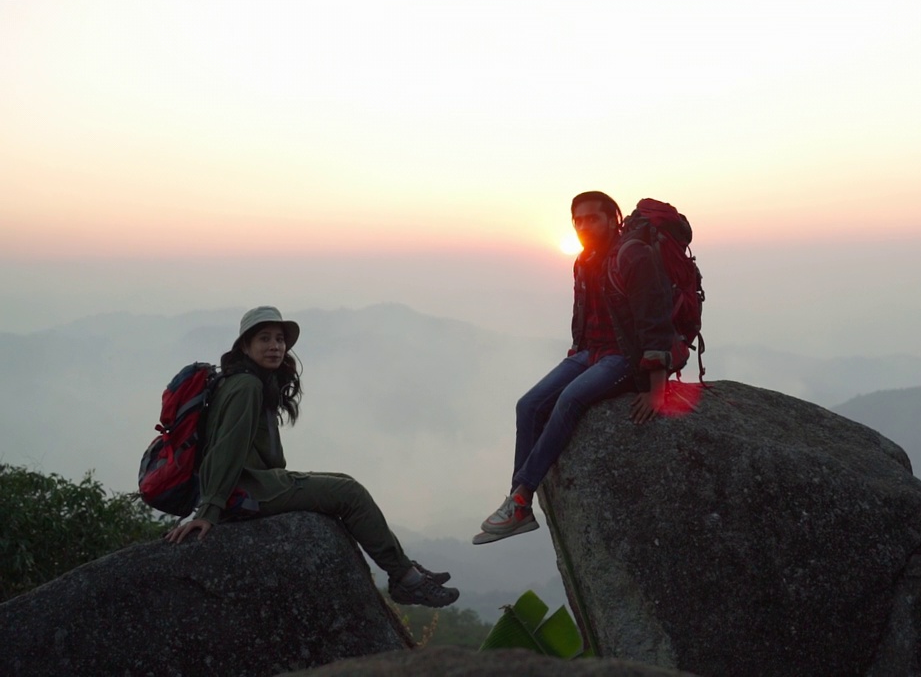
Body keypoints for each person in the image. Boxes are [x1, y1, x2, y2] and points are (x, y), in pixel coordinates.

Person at [165, 306, 459, 608]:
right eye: (264, 339)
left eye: (279, 339)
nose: (275, 346)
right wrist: (210, 510)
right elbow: (226, 448)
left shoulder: (243, 380)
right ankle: (406, 579)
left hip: (252, 483)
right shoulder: (247, 386)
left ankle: (404, 568)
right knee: (351, 494)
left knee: (345, 483)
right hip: (247, 490)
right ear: (244, 345)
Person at [474, 191, 683, 545]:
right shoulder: (584, 260)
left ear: (612, 219)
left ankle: (522, 495)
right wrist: (576, 356)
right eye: (579, 220)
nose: (585, 226)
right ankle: (518, 506)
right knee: (528, 405)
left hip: (625, 358)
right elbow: (583, 315)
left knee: (569, 400)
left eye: (593, 218)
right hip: (591, 352)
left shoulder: (634, 256)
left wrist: (656, 388)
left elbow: (655, 323)